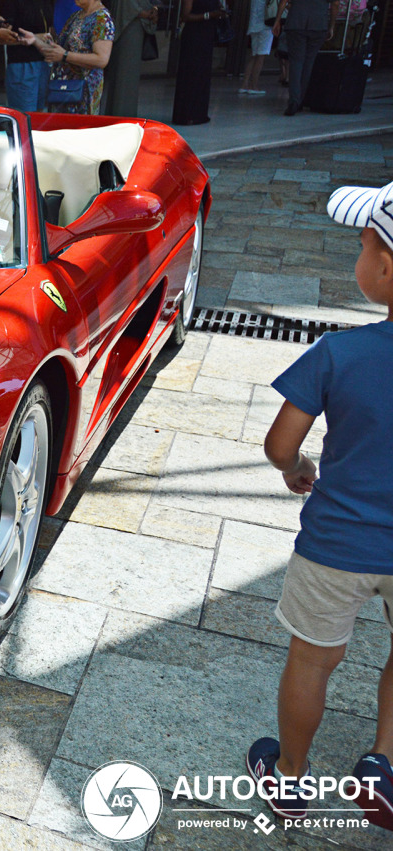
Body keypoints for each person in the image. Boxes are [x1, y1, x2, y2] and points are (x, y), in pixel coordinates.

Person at [246, 180, 393, 829]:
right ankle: (383, 764)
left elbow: (281, 444)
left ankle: (289, 779)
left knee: (312, 659)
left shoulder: (340, 353)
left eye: (363, 245)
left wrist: (300, 468)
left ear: (384, 266)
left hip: (337, 540)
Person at [17, 0, 115, 115]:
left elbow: (101, 59)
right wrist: (34, 40)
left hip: (83, 92)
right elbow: (57, 50)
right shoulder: (76, 16)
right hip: (63, 90)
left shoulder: (102, 19)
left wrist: (65, 56)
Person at [274, 0, 339, 115]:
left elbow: (283, 1)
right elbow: (335, 4)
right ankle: (299, 100)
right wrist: (332, 25)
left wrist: (277, 20)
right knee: (308, 63)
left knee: (295, 62)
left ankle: (294, 100)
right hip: (318, 24)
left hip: (296, 23)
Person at [171, 0, 228, 124]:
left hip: (206, 35)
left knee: (202, 74)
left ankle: (198, 113)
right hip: (194, 35)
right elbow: (185, 16)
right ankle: (186, 115)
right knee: (191, 73)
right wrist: (208, 15)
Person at [102, 0, 158, 115]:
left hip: (135, 26)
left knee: (128, 75)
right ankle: (120, 114)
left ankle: (122, 113)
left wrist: (152, 11)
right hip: (129, 27)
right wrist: (147, 14)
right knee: (124, 75)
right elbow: (128, 6)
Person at [1, 0, 55, 111]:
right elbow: (2, 38)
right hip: (23, 64)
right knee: (25, 116)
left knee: (41, 116)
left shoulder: (47, 3)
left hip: (44, 63)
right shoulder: (13, 3)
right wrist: (37, 37)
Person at [240, 0, 274, 94]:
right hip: (266, 25)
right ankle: (254, 86)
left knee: (254, 55)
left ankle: (244, 85)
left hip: (254, 24)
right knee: (261, 56)